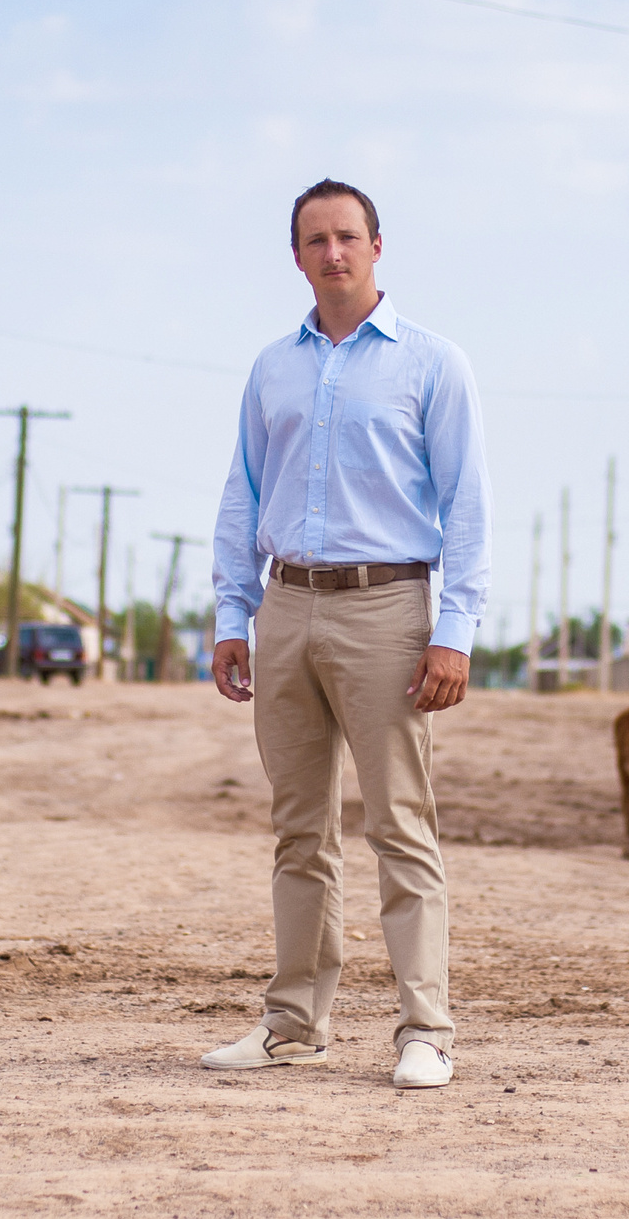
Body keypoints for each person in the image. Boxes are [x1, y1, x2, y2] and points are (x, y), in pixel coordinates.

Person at [203, 179, 490, 1091]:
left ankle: (426, 1030)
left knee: (401, 824)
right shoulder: (271, 368)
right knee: (299, 831)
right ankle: (293, 1026)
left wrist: (455, 631)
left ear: (377, 247)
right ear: (296, 255)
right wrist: (231, 615)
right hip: (284, 608)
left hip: (388, 610)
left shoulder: (433, 364)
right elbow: (243, 492)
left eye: (349, 237)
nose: (334, 252)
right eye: (316, 239)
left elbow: (467, 506)